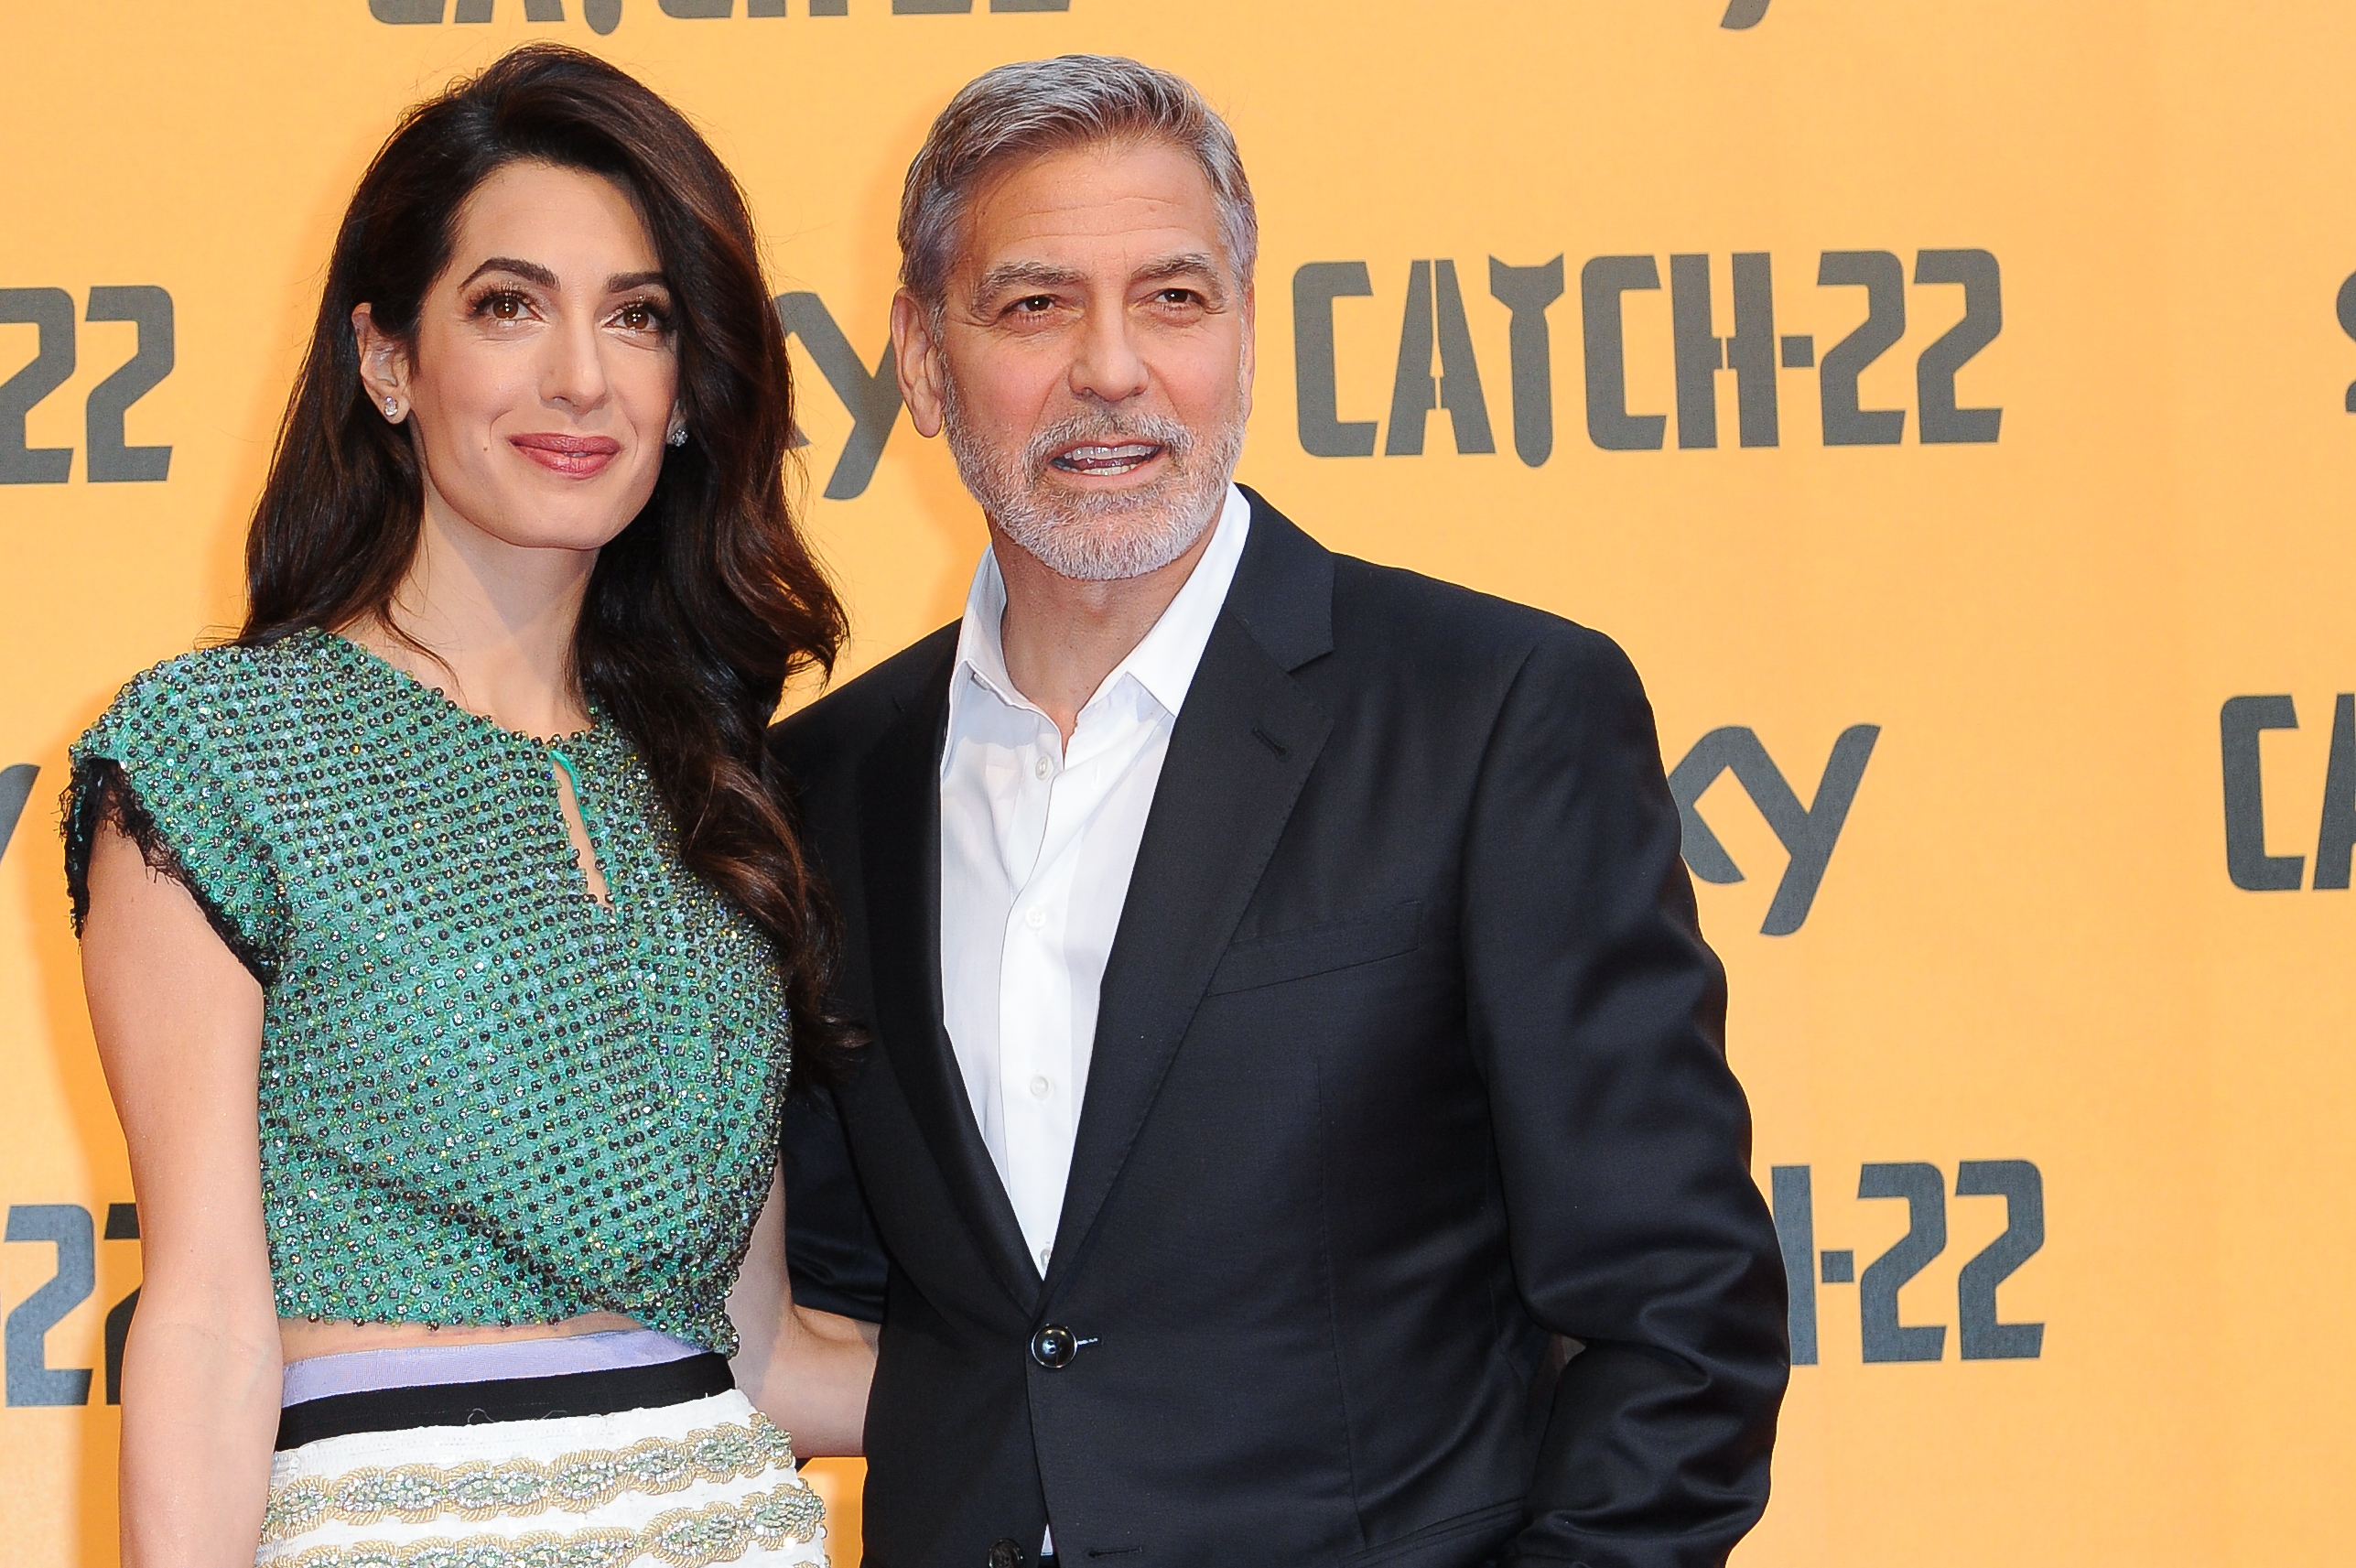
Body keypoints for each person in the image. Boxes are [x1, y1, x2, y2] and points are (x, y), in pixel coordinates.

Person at [771, 53, 1789, 1568]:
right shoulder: (823, 784)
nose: (1111, 368)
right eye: (1035, 303)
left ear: (1246, 334)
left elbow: (1681, 1330)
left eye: (1174, 298)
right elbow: (867, 1311)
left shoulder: (1494, 711)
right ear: (921, 361)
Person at [69, 45, 874, 1568]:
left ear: (687, 388)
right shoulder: (219, 750)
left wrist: (1129, 1369)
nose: (582, 375)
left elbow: (763, 1356)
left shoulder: (716, 789)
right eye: (510, 305)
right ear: (387, 360)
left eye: (637, 317)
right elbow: (204, 1320)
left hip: (725, 1523)